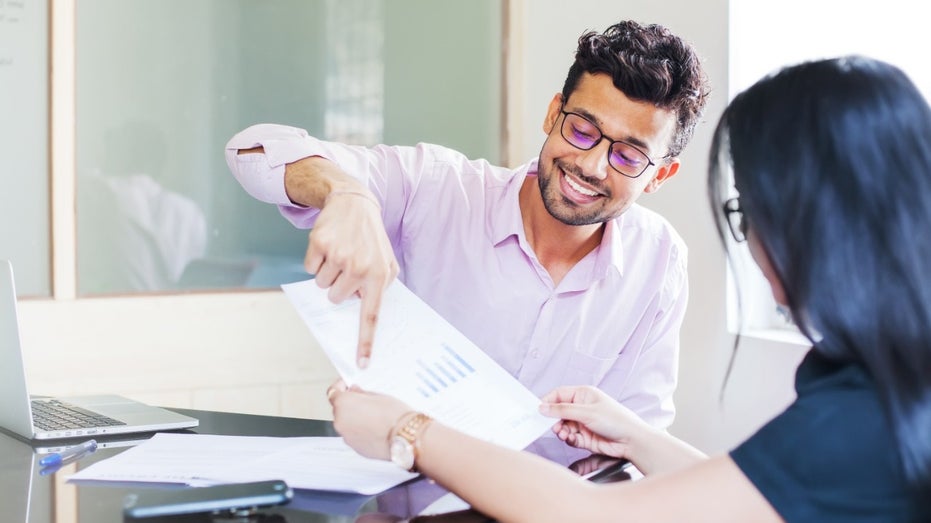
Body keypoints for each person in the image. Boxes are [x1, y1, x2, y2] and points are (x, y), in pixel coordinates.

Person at [327, 56, 931, 521]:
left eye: (749, 214)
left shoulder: (857, 415)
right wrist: (637, 438)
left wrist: (409, 431)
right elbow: (752, 492)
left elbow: (597, 515)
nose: (592, 167)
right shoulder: (892, 380)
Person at [226, 20, 710, 428]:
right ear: (551, 113)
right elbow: (253, 150)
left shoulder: (660, 262)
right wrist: (345, 193)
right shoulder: (437, 189)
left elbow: (639, 436)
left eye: (627, 156)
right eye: (581, 129)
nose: (591, 166)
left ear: (660, 175)